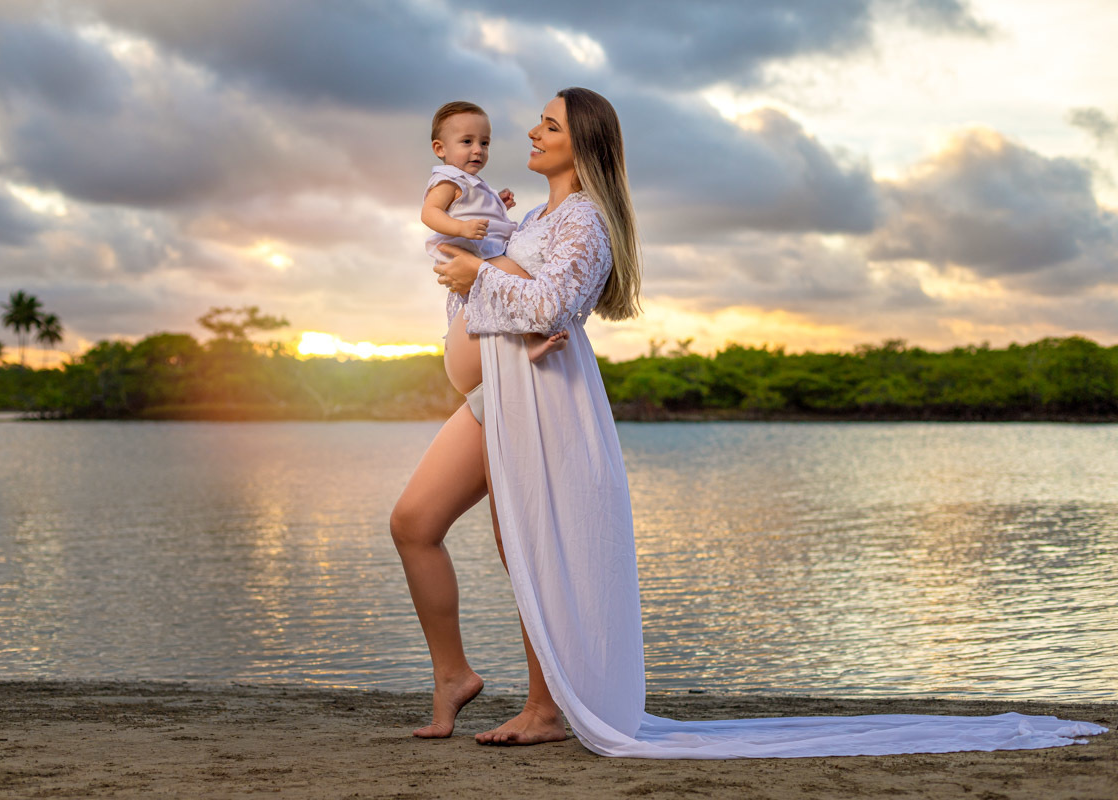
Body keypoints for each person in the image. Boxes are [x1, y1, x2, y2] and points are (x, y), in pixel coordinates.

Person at [393, 88, 1108, 756]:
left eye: (549, 125)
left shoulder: (586, 218)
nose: (531, 132)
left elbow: (554, 300)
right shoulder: (539, 217)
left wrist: (480, 278)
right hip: (499, 395)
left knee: (533, 550)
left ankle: (547, 708)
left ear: (582, 143)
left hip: (538, 401)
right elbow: (528, 294)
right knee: (442, 529)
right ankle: (471, 679)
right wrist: (487, 268)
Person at [422, 101, 567, 421]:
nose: (478, 150)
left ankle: (531, 340)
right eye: (467, 142)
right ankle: (528, 339)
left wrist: (498, 205)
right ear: (440, 148)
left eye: (484, 143)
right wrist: (460, 227)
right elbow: (430, 213)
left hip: (482, 246)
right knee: (506, 278)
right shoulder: (447, 179)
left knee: (510, 283)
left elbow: (478, 211)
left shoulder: (475, 183)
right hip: (467, 246)